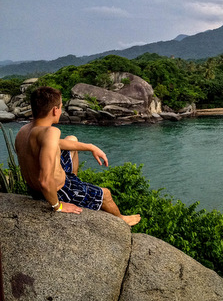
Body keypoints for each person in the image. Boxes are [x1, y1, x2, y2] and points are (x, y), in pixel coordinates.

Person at [14, 86, 140, 226]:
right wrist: (58, 206)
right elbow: (44, 180)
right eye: (61, 107)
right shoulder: (50, 132)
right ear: (55, 110)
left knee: (72, 139)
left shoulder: (23, 131)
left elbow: (55, 145)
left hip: (33, 189)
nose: (61, 111)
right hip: (58, 191)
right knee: (106, 194)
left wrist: (90, 147)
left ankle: (75, 180)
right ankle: (122, 220)